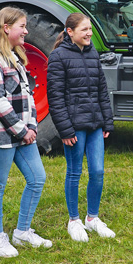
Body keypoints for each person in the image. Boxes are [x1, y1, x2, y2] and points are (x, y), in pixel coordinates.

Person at [0, 7, 52, 257]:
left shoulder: (15, 57)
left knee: (37, 178)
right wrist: (22, 130)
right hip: (1, 134)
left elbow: (27, 97)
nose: (26, 31)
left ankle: (22, 231)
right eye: (22, 26)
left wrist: (31, 127)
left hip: (22, 133)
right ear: (7, 28)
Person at [47, 13, 116, 242]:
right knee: (74, 173)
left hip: (95, 123)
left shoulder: (93, 53)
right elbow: (55, 97)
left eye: (90, 29)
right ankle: (74, 220)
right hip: (74, 126)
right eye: (84, 29)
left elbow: (101, 91)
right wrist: (65, 130)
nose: (89, 33)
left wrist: (107, 120)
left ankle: (92, 218)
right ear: (70, 32)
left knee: (97, 172)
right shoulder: (58, 57)